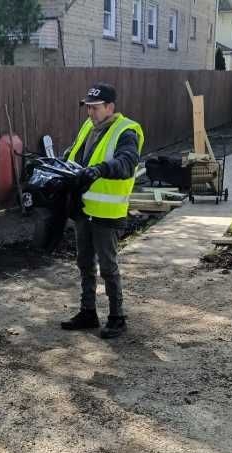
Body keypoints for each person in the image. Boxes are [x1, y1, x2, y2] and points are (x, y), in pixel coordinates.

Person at [60, 83, 144, 339]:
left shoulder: (126, 131)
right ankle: (88, 312)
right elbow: (76, 155)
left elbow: (127, 163)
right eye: (88, 107)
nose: (90, 112)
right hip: (83, 208)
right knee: (84, 262)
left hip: (107, 212)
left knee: (108, 266)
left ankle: (117, 317)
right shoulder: (89, 126)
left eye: (95, 108)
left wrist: (100, 170)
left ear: (110, 107)